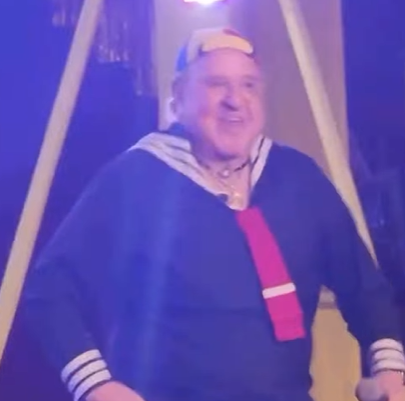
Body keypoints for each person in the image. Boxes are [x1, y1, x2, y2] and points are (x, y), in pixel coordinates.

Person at [23, 28, 405, 401]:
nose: (235, 100)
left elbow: (366, 291)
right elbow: (50, 290)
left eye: (248, 85)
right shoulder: (134, 180)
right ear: (178, 96)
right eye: (216, 84)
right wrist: (95, 385)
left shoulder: (298, 177)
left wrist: (389, 370)